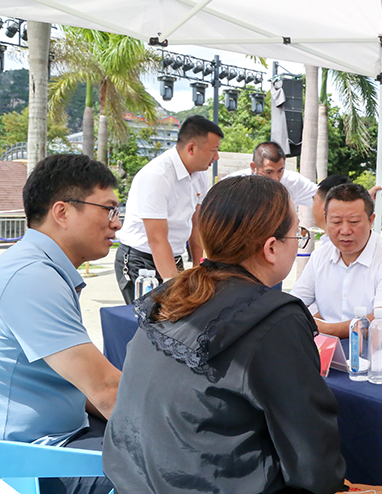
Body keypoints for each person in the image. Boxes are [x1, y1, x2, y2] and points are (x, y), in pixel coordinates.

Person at [103, 175, 347, 494]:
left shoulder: (170, 293)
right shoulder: (275, 318)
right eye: (296, 234)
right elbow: (313, 462)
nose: (298, 241)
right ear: (271, 248)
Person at [0, 154, 122, 494]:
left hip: (67, 432)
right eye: (108, 209)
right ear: (62, 212)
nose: (117, 223)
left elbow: (87, 387)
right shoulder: (32, 277)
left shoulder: (40, 268)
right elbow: (105, 389)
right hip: (35, 457)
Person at [114, 115, 223, 304]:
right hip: (140, 259)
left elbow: (196, 224)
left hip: (174, 255)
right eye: (213, 150)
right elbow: (156, 239)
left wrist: (199, 269)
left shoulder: (199, 174)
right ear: (191, 148)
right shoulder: (156, 176)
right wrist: (174, 284)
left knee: (179, 319)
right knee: (151, 321)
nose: (217, 157)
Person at [291, 183, 382, 338]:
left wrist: (323, 329)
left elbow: (380, 319)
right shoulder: (320, 256)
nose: (345, 231)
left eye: (354, 222)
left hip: (379, 353)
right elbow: (296, 304)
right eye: (336, 222)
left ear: (371, 220)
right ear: (326, 219)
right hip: (327, 350)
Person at [226, 140, 318, 208]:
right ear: (253, 167)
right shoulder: (233, 185)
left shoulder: (294, 182)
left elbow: (324, 200)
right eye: (269, 172)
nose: (275, 178)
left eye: (280, 171)